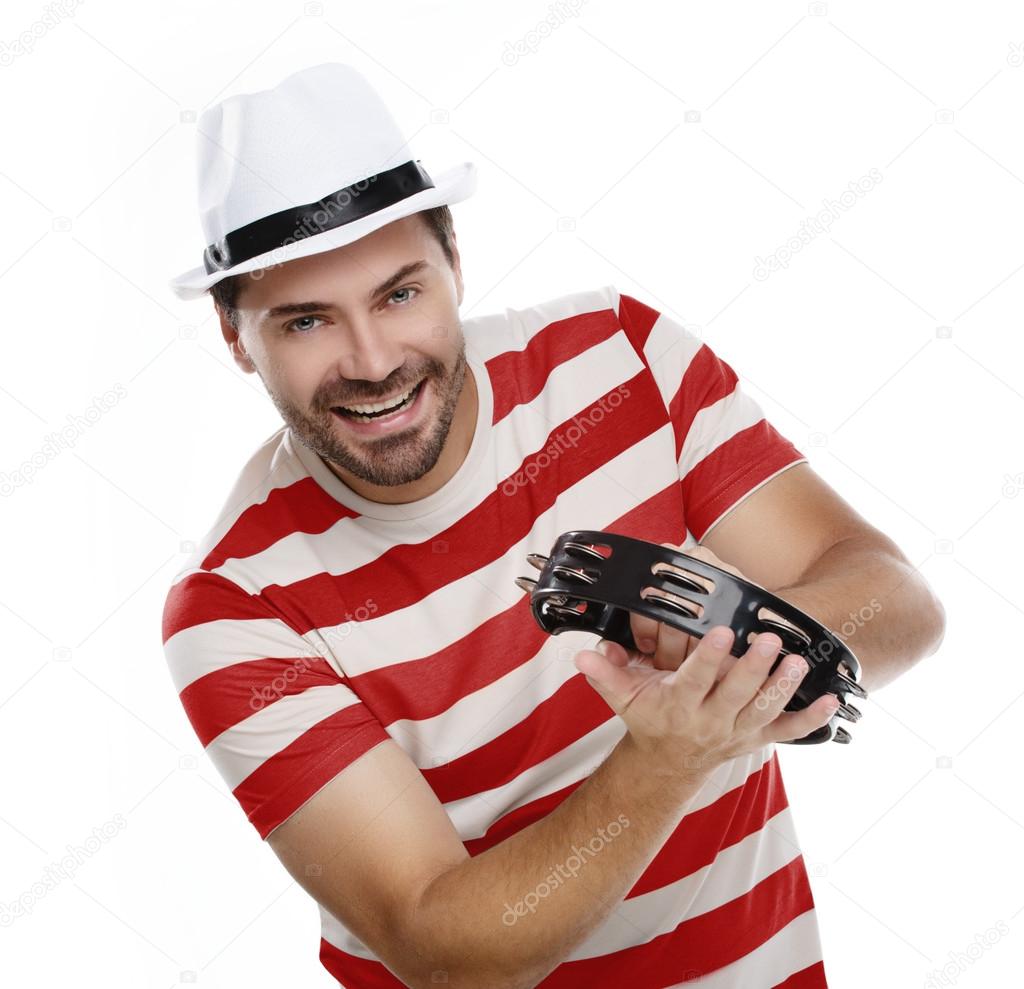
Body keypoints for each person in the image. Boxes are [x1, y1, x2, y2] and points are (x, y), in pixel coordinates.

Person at [161, 63, 946, 989]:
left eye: (399, 293)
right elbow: (450, 953)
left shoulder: (622, 358)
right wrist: (668, 752)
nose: (372, 362)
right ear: (232, 333)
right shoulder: (236, 610)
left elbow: (899, 602)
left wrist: (727, 641)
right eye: (304, 322)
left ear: (454, 261)